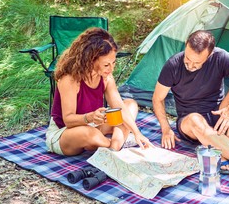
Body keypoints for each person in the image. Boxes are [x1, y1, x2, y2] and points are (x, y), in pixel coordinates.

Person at [152, 30, 229, 184]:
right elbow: (157, 98)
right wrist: (165, 128)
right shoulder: (173, 65)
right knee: (196, 119)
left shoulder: (220, 57)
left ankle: (225, 149)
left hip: (218, 117)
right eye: (187, 59)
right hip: (190, 122)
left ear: (210, 55)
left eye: (196, 63)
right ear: (186, 46)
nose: (190, 65)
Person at [46, 27, 152, 156]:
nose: (111, 69)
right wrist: (90, 117)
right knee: (90, 134)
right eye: (106, 65)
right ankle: (116, 144)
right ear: (90, 60)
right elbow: (68, 120)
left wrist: (137, 133)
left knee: (130, 105)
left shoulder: (106, 77)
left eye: (113, 63)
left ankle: (113, 149)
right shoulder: (70, 79)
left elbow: (119, 107)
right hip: (66, 132)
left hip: (94, 124)